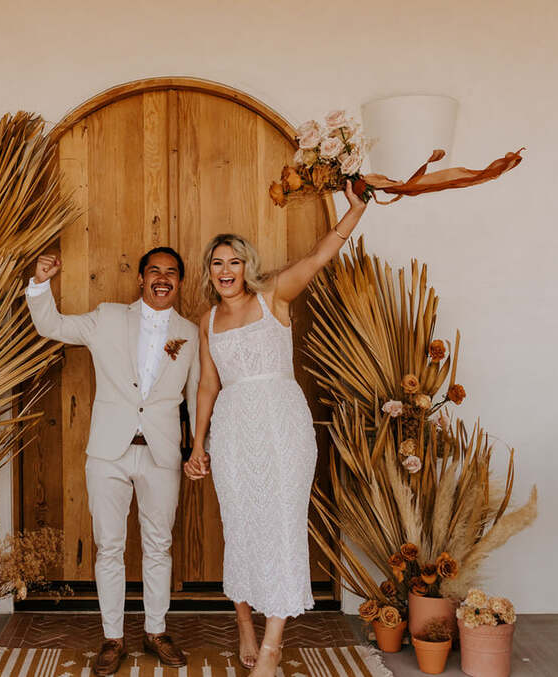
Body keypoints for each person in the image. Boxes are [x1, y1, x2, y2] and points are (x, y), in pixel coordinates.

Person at [185, 182, 367, 677]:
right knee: (240, 527)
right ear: (210, 272)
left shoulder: (274, 297)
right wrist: (197, 444)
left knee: (283, 527)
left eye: (233, 262)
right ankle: (244, 621)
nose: (225, 272)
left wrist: (356, 209)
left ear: (248, 266)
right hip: (233, 430)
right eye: (217, 264)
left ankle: (271, 645)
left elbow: (319, 255)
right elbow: (206, 385)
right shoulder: (207, 320)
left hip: (282, 424)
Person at [26, 247, 200, 676]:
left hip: (161, 452)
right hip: (108, 452)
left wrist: (199, 447)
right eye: (154, 271)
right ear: (140, 279)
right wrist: (40, 283)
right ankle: (113, 637)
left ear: (180, 281)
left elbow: (196, 396)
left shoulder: (191, 332)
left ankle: (156, 631)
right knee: (109, 546)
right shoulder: (106, 317)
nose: (163, 278)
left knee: (159, 544)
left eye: (171, 273)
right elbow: (52, 325)